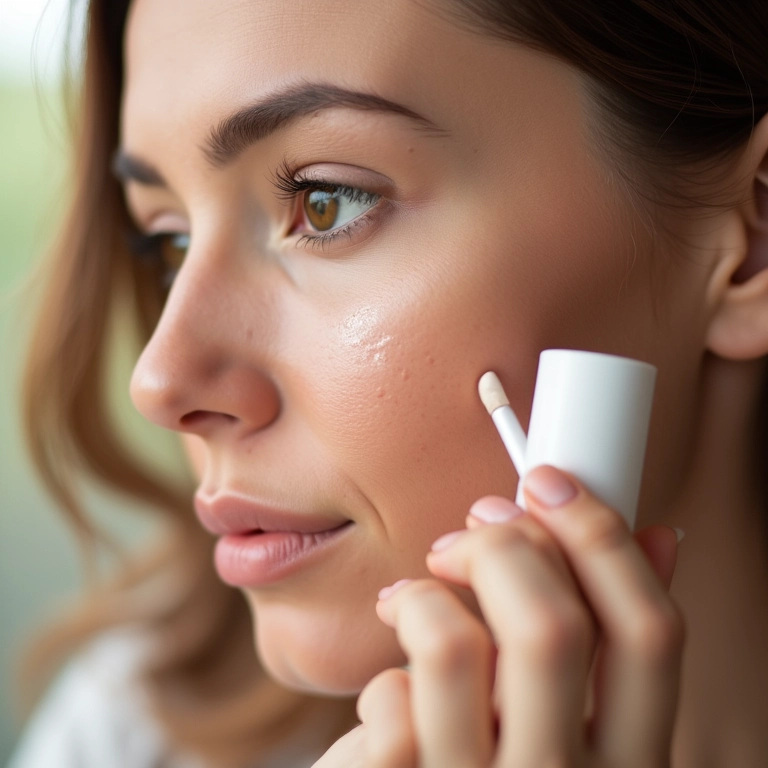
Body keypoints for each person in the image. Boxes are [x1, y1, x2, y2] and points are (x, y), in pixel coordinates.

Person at [8, 0, 768, 765]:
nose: (161, 382)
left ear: (752, 242)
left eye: (325, 202)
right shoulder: (129, 731)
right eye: (169, 241)